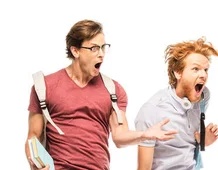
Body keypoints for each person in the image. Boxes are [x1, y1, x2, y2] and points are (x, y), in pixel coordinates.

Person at [24, 19, 178, 170]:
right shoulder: (44, 86)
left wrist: (144, 135)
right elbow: (33, 136)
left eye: (103, 47)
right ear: (75, 50)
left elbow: (119, 137)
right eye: (94, 48)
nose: (101, 54)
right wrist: (36, 164)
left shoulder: (113, 90)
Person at [134, 37, 218, 170]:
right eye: (196, 69)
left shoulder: (203, 98)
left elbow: (190, 138)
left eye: (206, 70)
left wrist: (204, 140)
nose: (203, 75)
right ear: (178, 72)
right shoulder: (152, 110)